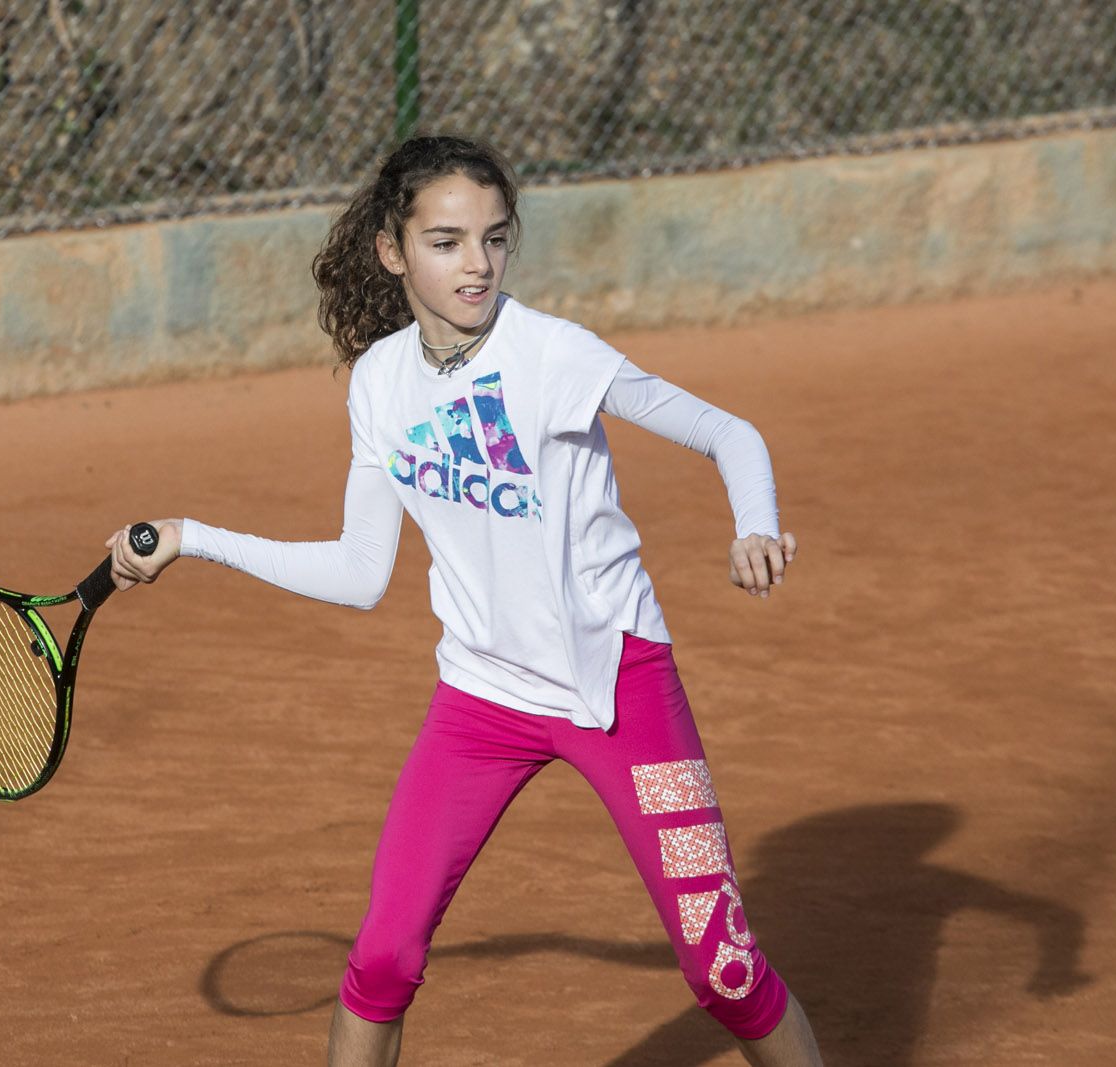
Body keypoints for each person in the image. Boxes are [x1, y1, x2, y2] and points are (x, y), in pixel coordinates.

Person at [107, 135, 824, 1067]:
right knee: (382, 956)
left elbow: (729, 432)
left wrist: (754, 526)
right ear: (393, 251)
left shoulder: (553, 354)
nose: (477, 264)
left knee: (722, 969)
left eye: (492, 238)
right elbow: (363, 572)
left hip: (619, 687)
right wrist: (196, 537)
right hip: (482, 700)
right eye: (446, 242)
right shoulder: (381, 381)